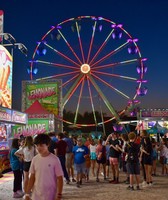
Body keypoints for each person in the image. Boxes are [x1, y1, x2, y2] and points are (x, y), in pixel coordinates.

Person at [24, 133, 63, 200]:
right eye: (37, 146)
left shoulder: (55, 159)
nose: (39, 148)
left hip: (50, 194)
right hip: (36, 194)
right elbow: (32, 177)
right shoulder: (35, 159)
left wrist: (59, 194)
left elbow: (60, 178)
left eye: (41, 145)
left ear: (47, 145)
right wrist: (27, 193)